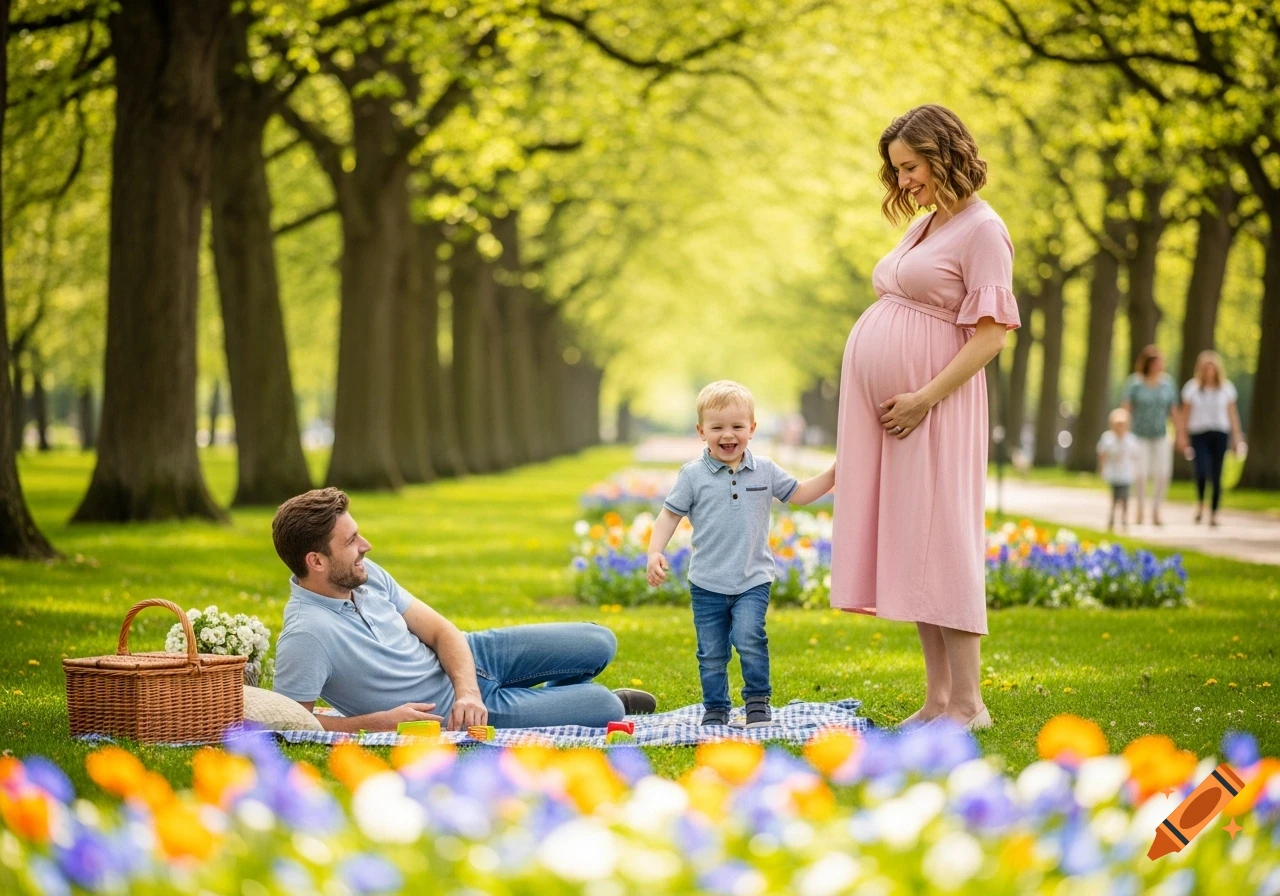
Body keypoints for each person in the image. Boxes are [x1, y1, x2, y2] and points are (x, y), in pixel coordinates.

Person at [828, 105, 1021, 731]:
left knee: (946, 544)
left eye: (911, 166)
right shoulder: (931, 224)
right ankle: (939, 699)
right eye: (898, 170)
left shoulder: (983, 230)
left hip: (938, 410)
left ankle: (970, 703)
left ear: (944, 154)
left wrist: (922, 397)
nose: (904, 180)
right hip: (906, 417)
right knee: (919, 548)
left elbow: (990, 337)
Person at [270, 488, 655, 732]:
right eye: (352, 541)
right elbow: (292, 722)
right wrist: (379, 724)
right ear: (316, 562)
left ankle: (560, 701)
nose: (366, 545)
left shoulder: (364, 575)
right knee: (606, 705)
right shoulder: (306, 635)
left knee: (599, 640)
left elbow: (441, 632)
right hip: (458, 712)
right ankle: (577, 703)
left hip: (473, 657)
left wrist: (468, 687)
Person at [645, 381, 835, 728]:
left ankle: (757, 703)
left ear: (752, 428)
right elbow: (669, 515)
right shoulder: (692, 475)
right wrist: (655, 551)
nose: (727, 434)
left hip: (753, 578)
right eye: (717, 427)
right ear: (702, 431)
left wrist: (835, 473)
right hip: (707, 583)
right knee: (711, 653)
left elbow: (802, 493)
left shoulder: (765, 469)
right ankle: (716, 707)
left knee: (749, 637)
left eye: (737, 426)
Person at [1177, 350, 1245, 526]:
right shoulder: (1192, 388)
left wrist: (1237, 437)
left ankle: (1214, 512)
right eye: (1205, 368)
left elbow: (1232, 415)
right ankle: (1200, 503)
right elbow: (1185, 414)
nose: (1209, 372)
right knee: (1201, 470)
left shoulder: (1226, 389)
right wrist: (1181, 435)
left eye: (1212, 368)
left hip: (1220, 433)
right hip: (1199, 434)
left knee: (1217, 472)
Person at [1121, 345, 1180, 526]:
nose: (1158, 366)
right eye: (1155, 363)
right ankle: (1139, 510)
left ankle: (1156, 511)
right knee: (1140, 474)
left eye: (1160, 362)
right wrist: (1123, 433)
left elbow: (1174, 411)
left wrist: (1181, 434)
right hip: (1139, 435)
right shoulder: (1135, 384)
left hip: (1161, 434)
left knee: (1163, 474)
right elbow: (1126, 409)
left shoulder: (1168, 384)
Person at [1097, 407, 1140, 531]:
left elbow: (1135, 456)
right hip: (1114, 474)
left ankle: (1124, 518)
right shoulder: (1108, 439)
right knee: (1114, 497)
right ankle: (1112, 519)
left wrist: (1135, 471)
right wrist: (1101, 468)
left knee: (1125, 498)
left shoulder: (1131, 440)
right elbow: (1102, 453)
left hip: (1126, 475)